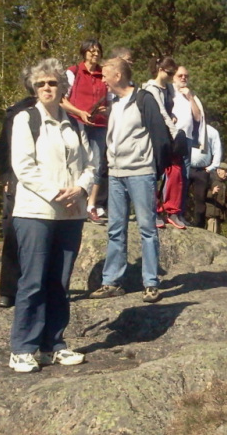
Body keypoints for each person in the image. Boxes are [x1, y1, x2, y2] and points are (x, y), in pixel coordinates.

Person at [8, 58, 94, 372]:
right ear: (34, 87)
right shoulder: (25, 120)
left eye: (53, 83)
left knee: (60, 281)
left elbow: (91, 165)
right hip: (35, 212)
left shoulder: (76, 124)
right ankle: (22, 348)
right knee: (33, 281)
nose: (47, 88)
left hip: (71, 215)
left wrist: (81, 189)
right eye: (41, 83)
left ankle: (53, 344)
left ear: (62, 87)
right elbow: (24, 167)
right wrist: (59, 195)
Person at [88, 58, 170, 303]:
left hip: (141, 173)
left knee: (147, 228)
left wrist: (155, 170)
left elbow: (161, 136)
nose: (102, 79)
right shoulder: (114, 103)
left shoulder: (144, 99)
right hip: (115, 174)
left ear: (117, 76)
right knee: (115, 229)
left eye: (105, 75)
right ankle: (111, 281)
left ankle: (151, 283)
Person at [0, 67, 37, 308]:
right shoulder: (17, 112)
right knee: (13, 233)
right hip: (16, 179)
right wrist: (5, 177)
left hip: (45, 179)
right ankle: (9, 291)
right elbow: (3, 148)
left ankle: (30, 289)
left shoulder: (58, 112)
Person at [60, 39, 108, 225]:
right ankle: (73, 201)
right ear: (84, 52)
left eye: (98, 51)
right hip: (76, 122)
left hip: (99, 125)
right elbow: (61, 100)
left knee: (96, 164)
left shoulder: (104, 74)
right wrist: (79, 112)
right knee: (75, 161)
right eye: (91, 51)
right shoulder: (73, 72)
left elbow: (111, 100)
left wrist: (106, 110)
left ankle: (91, 205)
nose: (95, 54)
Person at [142, 57, 179, 229]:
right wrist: (174, 131)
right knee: (153, 173)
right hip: (154, 135)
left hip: (167, 134)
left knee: (169, 173)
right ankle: (152, 210)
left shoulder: (170, 89)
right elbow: (161, 112)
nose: (171, 76)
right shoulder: (151, 88)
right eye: (169, 73)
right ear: (161, 70)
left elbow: (171, 111)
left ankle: (167, 210)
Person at [170, 65, 207, 228]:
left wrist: (190, 97)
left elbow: (198, 117)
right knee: (169, 176)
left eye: (186, 76)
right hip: (171, 138)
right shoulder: (169, 92)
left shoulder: (191, 95)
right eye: (180, 75)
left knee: (183, 177)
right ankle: (164, 209)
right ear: (173, 77)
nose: (183, 78)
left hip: (188, 139)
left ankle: (179, 212)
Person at [188, 121, 222, 228]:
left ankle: (199, 225)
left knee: (200, 199)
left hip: (203, 170)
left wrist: (212, 167)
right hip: (187, 167)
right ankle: (182, 218)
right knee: (181, 195)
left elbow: (217, 150)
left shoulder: (212, 131)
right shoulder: (188, 127)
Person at [206, 162, 227, 234]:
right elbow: (203, 193)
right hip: (212, 214)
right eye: (225, 171)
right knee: (212, 235)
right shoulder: (211, 181)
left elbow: (222, 199)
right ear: (218, 171)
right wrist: (212, 192)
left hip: (218, 214)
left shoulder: (222, 184)